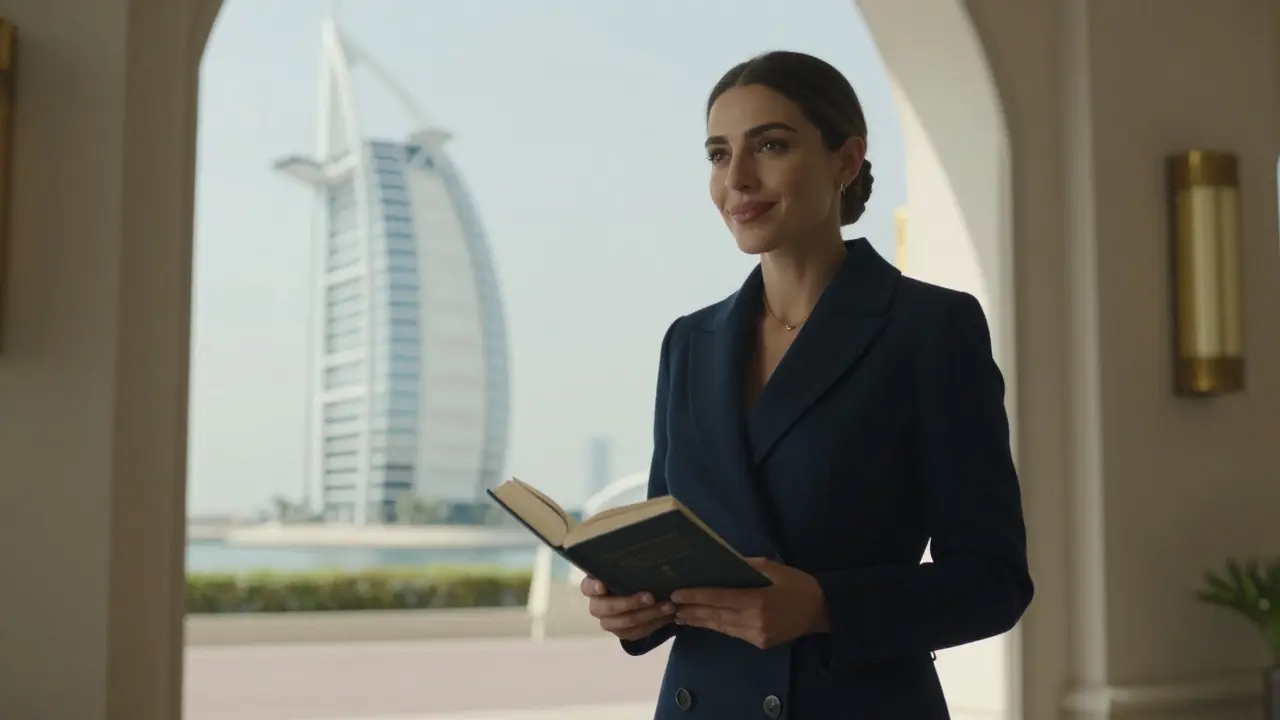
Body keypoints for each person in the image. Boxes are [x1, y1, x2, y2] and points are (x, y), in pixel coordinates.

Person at [579, 50, 1033, 719]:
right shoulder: (689, 343)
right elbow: (668, 550)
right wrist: (633, 606)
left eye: (770, 145)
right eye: (718, 154)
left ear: (846, 160)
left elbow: (994, 583)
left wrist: (824, 605)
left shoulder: (928, 329)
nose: (737, 178)